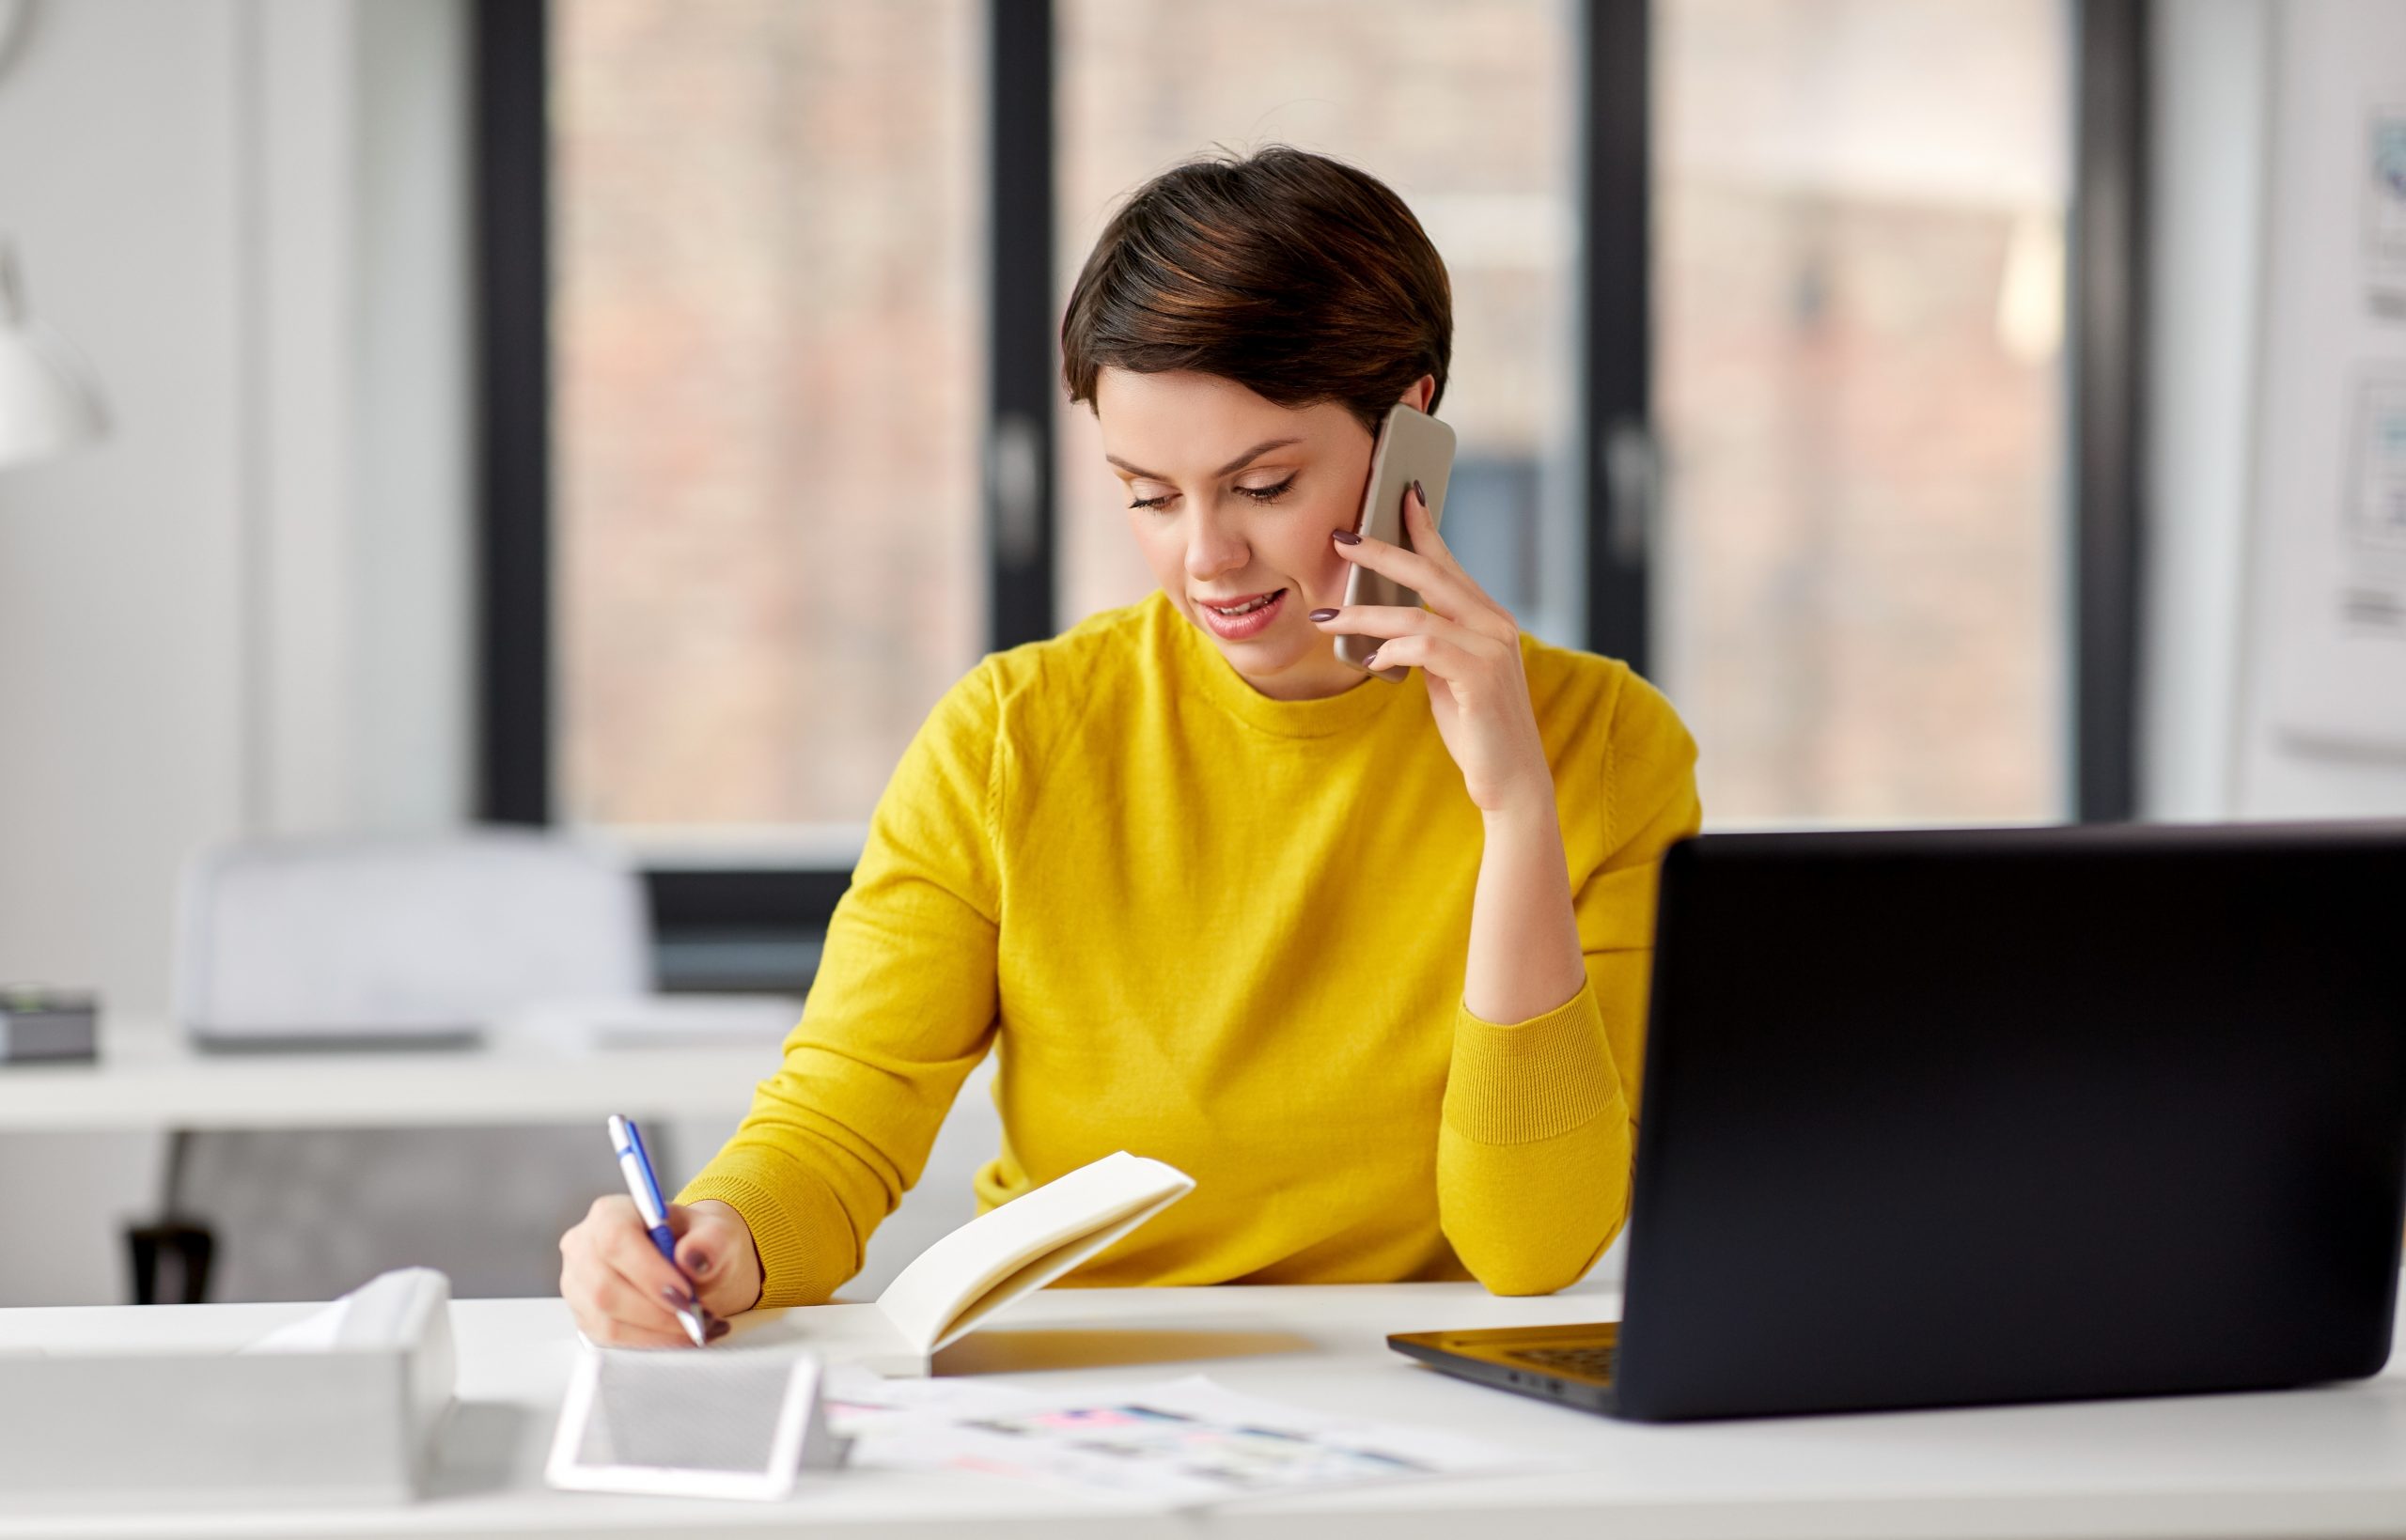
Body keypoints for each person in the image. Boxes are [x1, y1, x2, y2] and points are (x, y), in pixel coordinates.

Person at [559, 146, 1701, 1346]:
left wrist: (1515, 810)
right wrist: (717, 1238)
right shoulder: (1013, 732)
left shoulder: (1607, 746)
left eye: (1261, 484)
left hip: (1420, 1397)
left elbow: (1530, 1248)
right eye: (1149, 495)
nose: (1202, 558)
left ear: (1408, 430)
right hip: (1082, 1385)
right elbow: (847, 1113)